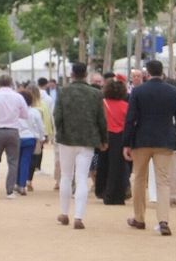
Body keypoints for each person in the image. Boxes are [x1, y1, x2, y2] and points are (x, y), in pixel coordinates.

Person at [122, 59, 176, 236]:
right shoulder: (173, 91)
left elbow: (130, 118)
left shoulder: (138, 91)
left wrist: (126, 142)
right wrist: (172, 130)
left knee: (139, 178)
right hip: (165, 140)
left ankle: (139, 218)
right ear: (162, 71)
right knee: (163, 181)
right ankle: (163, 220)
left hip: (141, 139)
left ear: (147, 73)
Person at [53, 62, 106, 229]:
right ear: (86, 74)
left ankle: (64, 212)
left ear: (72, 74)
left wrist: (59, 132)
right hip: (88, 139)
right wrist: (104, 139)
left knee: (66, 176)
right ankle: (78, 217)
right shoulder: (96, 93)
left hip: (67, 138)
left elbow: (57, 116)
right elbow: (101, 119)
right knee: (82, 177)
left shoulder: (63, 92)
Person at [0, 75, 25, 199]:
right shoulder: (18, 97)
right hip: (13, 130)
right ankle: (10, 190)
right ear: (11, 83)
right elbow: (25, 114)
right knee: (13, 161)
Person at [98, 78, 131, 206]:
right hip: (120, 137)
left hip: (105, 136)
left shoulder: (102, 103)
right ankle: (117, 195)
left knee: (103, 165)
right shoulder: (126, 106)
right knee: (118, 168)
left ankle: (103, 191)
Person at [15, 88, 45, 195]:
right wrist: (41, 139)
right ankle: (22, 185)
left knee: (15, 161)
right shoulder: (35, 112)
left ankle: (15, 183)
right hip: (30, 139)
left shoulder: (15, 111)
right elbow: (41, 127)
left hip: (16, 138)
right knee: (25, 162)